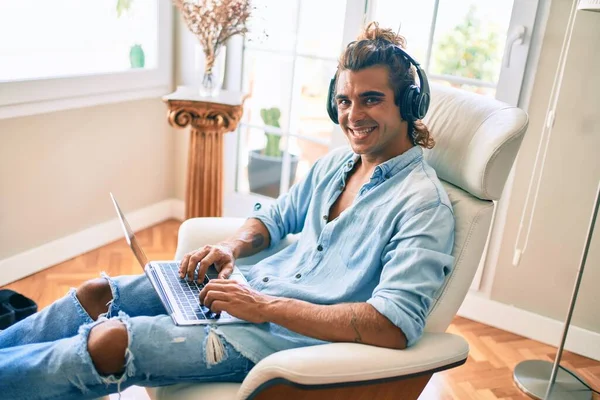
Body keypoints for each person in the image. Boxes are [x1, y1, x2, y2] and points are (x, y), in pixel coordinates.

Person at [0, 22, 454, 399]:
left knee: (111, 339)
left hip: (271, 340)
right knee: (97, 292)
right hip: (241, 294)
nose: (353, 115)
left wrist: (264, 306)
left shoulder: (422, 205)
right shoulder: (336, 164)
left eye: (370, 99)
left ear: (408, 104)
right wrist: (230, 246)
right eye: (344, 100)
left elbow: (393, 325)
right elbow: (275, 219)